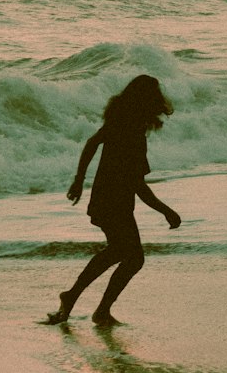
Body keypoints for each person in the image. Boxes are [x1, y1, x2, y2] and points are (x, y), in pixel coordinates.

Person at [44, 74, 181, 327]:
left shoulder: (123, 121)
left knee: (120, 252)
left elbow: (92, 142)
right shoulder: (130, 128)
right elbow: (139, 186)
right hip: (113, 201)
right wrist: (166, 211)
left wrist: (79, 180)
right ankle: (95, 308)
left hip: (110, 198)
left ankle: (77, 298)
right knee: (131, 256)